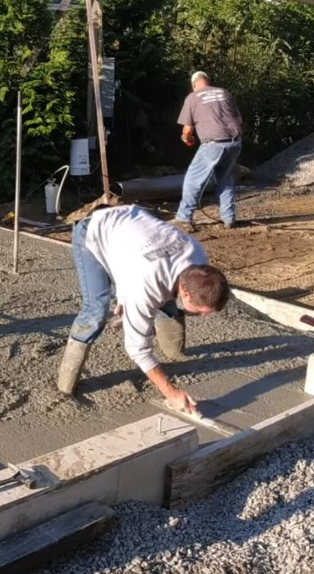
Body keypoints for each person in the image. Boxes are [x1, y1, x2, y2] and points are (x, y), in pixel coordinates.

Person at [57, 204, 231, 415]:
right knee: (96, 311)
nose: (205, 316)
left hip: (135, 232)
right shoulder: (145, 285)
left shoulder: (198, 260)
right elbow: (137, 349)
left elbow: (139, 274)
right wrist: (171, 392)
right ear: (185, 293)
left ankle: (174, 353)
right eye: (202, 310)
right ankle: (65, 385)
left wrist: (131, 303)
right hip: (94, 229)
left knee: (164, 300)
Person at [175, 71, 244, 231]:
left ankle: (184, 218)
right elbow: (238, 120)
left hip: (213, 144)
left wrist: (187, 139)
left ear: (194, 85)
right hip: (234, 142)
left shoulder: (193, 97)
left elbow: (187, 130)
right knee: (225, 178)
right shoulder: (224, 93)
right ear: (208, 81)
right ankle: (228, 218)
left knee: (193, 180)